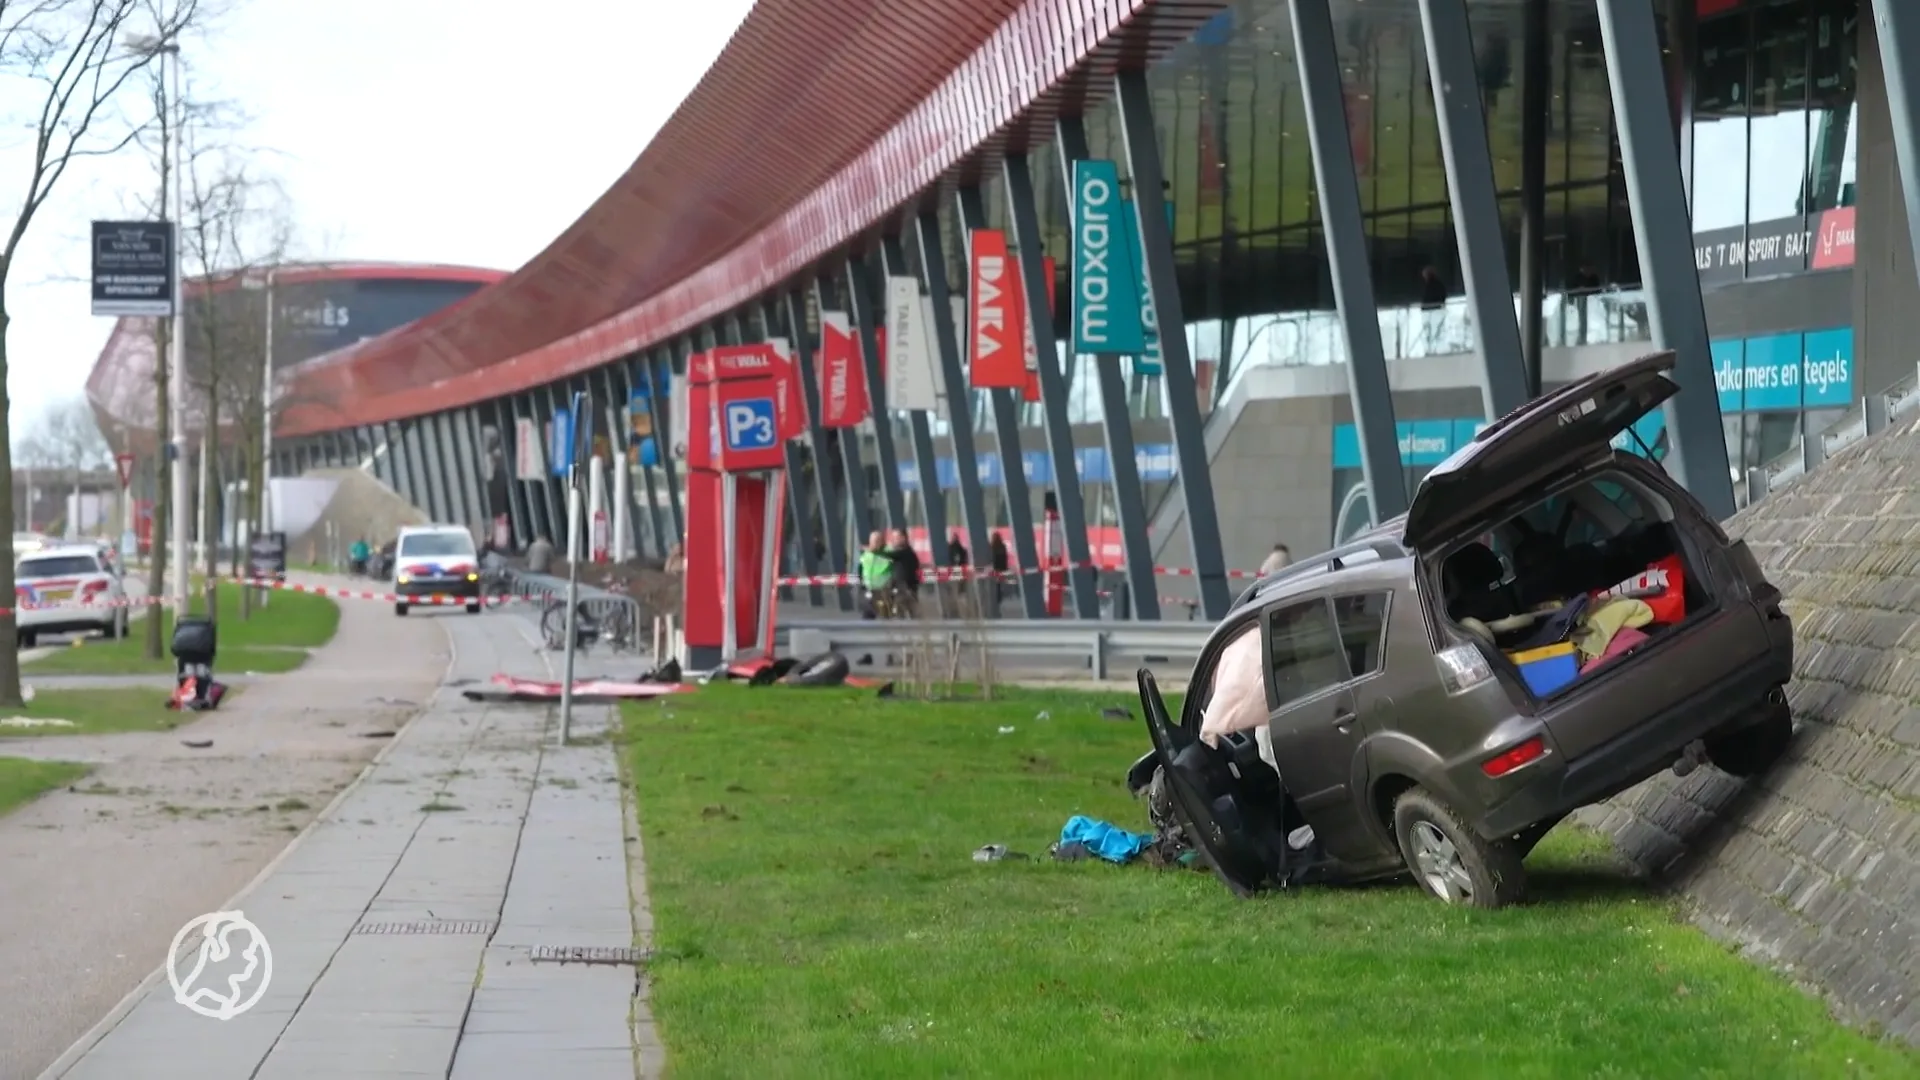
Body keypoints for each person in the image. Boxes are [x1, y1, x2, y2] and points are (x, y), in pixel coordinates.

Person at [888, 529, 923, 619]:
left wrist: (874, 551)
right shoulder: (900, 553)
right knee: (900, 611)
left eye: (896, 538)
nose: (894, 540)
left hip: (907, 587)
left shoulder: (906, 552)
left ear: (903, 538)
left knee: (911, 611)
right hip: (899, 586)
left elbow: (889, 555)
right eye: (893, 538)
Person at [857, 531, 892, 619]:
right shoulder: (866, 554)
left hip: (883, 590)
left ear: (882, 541)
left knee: (885, 615)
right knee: (867, 614)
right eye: (872, 541)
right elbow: (861, 568)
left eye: (877, 541)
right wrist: (862, 582)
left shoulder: (888, 552)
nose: (874, 543)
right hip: (869, 589)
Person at [988, 531, 1010, 617]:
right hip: (1001, 569)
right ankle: (999, 599)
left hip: (994, 569)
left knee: (995, 586)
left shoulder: (992, 547)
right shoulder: (1002, 546)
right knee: (999, 585)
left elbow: (991, 558)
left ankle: (996, 601)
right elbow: (1005, 558)